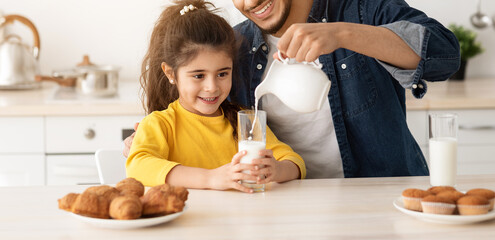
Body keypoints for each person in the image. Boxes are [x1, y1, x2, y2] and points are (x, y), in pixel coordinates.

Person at [125, 0, 460, 179]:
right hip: (287, 207)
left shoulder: (360, 11)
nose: (250, 2)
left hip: (378, 196)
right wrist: (145, 140)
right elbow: (192, 111)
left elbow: (445, 55)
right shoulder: (235, 47)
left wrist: (343, 35)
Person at [126, 0, 305, 193]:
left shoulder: (244, 121)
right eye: (198, 76)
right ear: (170, 73)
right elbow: (138, 167)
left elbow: (294, 161)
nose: (212, 87)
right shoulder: (160, 124)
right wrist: (211, 178)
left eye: (222, 74)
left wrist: (276, 170)